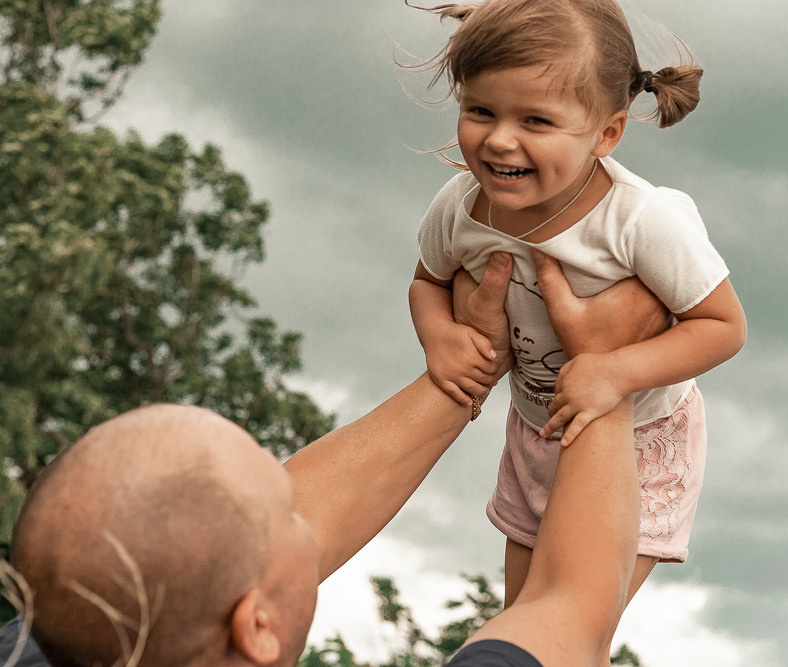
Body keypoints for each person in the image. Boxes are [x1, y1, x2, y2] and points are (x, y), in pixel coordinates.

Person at [0, 251, 668, 666]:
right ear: (256, 626)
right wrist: (601, 376)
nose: (305, 508)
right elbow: (568, 611)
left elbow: (197, 562)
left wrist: (466, 372)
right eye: (287, 510)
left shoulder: (70, 640)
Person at [405, 0, 748, 627]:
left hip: (641, 438)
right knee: (520, 618)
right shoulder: (461, 207)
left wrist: (615, 372)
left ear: (607, 133)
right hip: (536, 431)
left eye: (536, 120)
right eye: (480, 110)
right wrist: (439, 339)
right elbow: (427, 282)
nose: (500, 138)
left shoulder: (641, 220)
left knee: (574, 627)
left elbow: (723, 326)